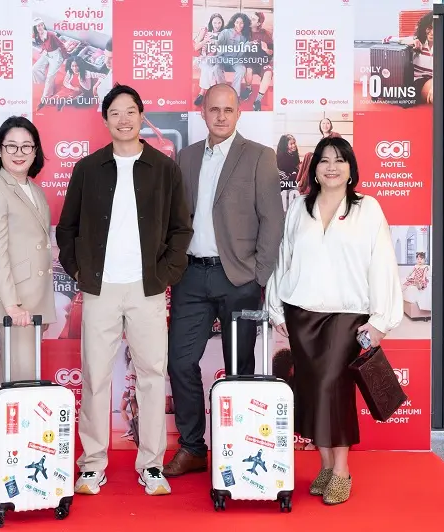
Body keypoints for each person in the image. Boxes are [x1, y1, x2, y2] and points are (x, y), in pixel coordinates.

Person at [56, 83, 194, 496]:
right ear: (105, 120)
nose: (123, 119)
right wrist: (78, 270)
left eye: (130, 111)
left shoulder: (164, 168)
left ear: (141, 116)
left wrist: (166, 274)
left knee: (151, 375)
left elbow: (180, 228)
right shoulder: (88, 168)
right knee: (95, 377)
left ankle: (151, 464)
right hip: (99, 288)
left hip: (146, 288)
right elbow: (67, 227)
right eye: (115, 112)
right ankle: (92, 464)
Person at [266, 136, 403, 505]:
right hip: (302, 314)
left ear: (350, 168)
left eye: (339, 160)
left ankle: (341, 470)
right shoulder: (299, 208)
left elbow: (382, 262)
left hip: (347, 315)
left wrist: (381, 320)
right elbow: (284, 258)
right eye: (324, 160)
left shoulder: (367, 209)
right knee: (312, 389)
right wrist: (276, 307)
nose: (331, 167)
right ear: (314, 168)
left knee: (333, 388)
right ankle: (325, 466)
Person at [163, 83, 284, 478]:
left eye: (227, 110)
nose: (220, 116)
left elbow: (273, 221)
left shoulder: (260, 156)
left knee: (240, 367)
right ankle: (193, 447)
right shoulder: (186, 157)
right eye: (213, 109)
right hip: (191, 277)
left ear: (238, 113)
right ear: (203, 113)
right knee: (180, 361)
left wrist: (258, 276)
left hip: (239, 278)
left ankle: (240, 448)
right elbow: (176, 218)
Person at [0, 116, 55, 381]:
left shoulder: (35, 190)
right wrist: (11, 305)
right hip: (14, 301)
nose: (19, 153)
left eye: (26, 146)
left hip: (36, 298)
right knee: (19, 379)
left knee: (23, 377)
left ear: (35, 150)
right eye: (11, 146)